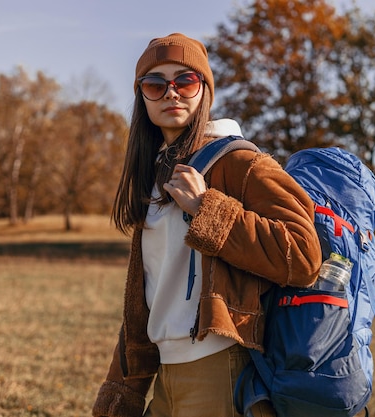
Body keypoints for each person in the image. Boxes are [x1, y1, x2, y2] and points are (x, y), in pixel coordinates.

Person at [92, 33, 322, 417]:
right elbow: (148, 298)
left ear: (204, 92)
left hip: (218, 369)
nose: (171, 93)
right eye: (155, 84)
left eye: (185, 81)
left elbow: (303, 255)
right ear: (142, 96)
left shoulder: (240, 162)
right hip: (165, 374)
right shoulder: (154, 175)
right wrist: (124, 389)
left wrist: (207, 208)